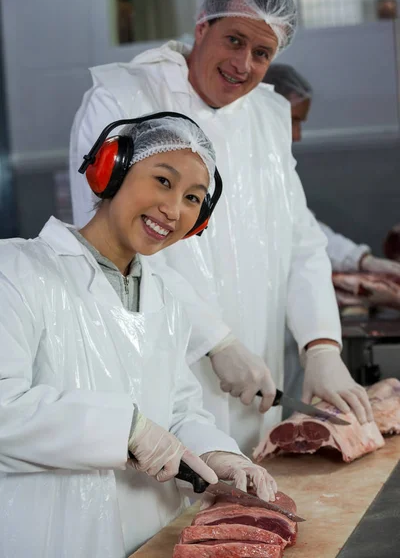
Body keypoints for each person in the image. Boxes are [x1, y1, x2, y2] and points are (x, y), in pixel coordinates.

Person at [69, 0, 372, 454]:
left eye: (261, 53)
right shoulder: (123, 98)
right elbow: (116, 243)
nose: (242, 64)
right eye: (234, 39)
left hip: (257, 371)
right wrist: (216, 341)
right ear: (202, 26)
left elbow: (301, 240)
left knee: (250, 507)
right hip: (160, 363)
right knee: (169, 508)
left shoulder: (269, 116)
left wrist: (321, 346)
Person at [0, 113, 277, 558]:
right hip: (49, 536)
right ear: (110, 171)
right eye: (162, 181)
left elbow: (180, 408)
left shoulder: (165, 298)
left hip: (153, 537)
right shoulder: (16, 270)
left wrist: (219, 454)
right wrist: (125, 430)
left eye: (192, 197)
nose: (174, 209)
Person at [263, 63, 400, 403]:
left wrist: (364, 260)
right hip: (252, 332)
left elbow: (307, 233)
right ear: (263, 106)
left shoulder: (275, 171)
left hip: (286, 328)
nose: (297, 135)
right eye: (293, 120)